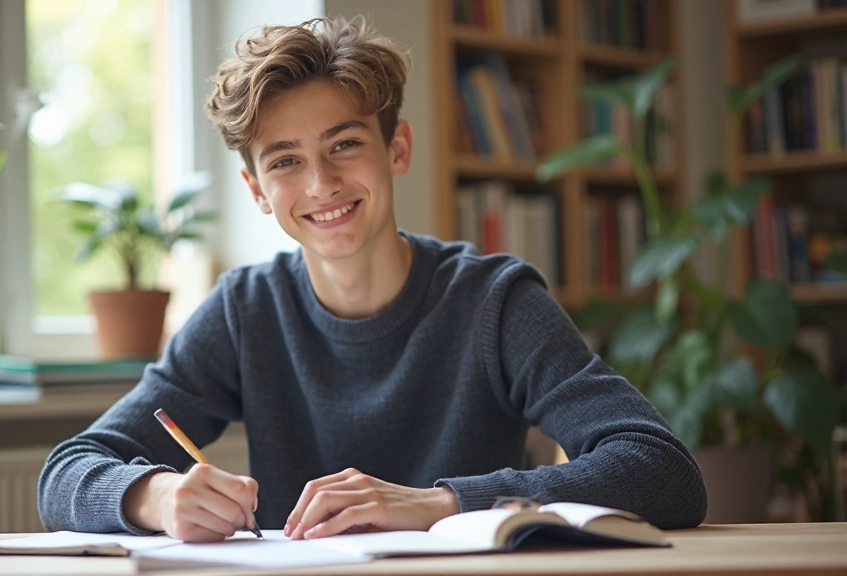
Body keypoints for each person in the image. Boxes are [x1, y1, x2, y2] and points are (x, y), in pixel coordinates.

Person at [37, 16, 707, 543]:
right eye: (286, 161)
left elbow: (664, 471)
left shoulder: (494, 300)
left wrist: (439, 504)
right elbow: (66, 471)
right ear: (257, 190)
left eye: (345, 144)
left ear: (397, 149)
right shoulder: (247, 311)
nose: (322, 183)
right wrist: (152, 496)